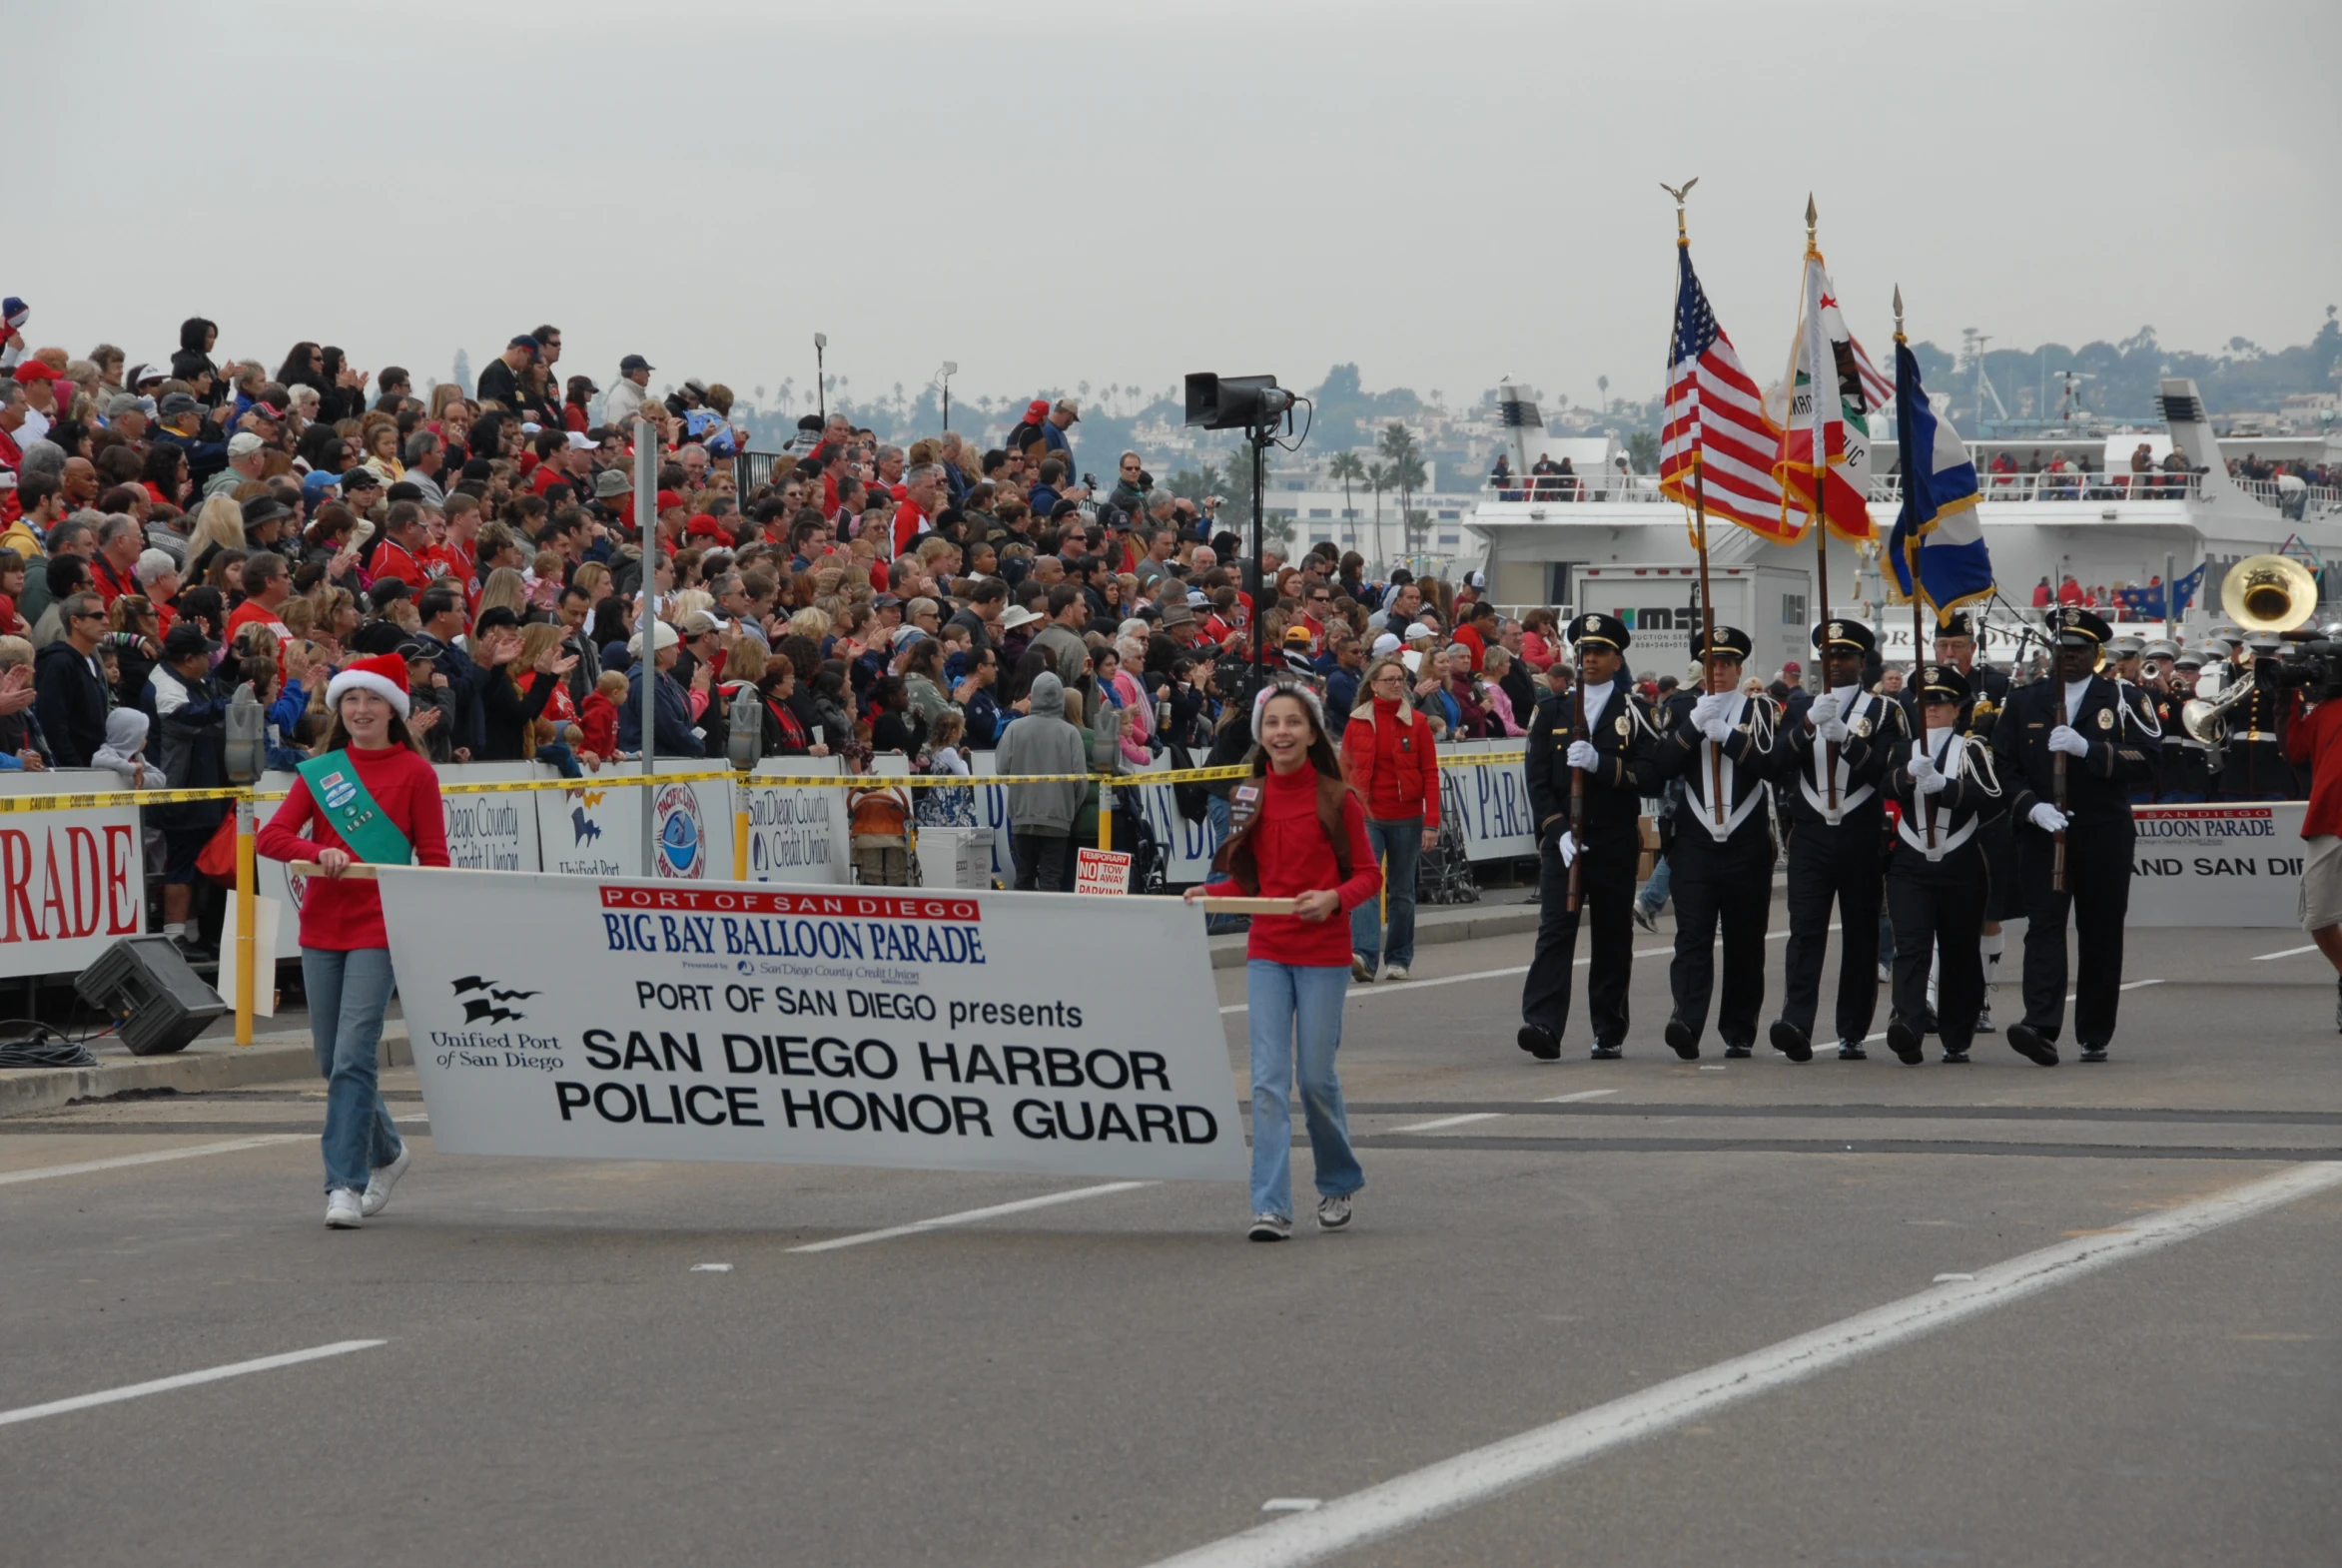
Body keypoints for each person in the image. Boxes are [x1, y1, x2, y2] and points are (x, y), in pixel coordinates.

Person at [255, 652, 450, 1228]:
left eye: (372, 700)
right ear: (340, 708)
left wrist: (427, 922)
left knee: (355, 1053)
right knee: (329, 1059)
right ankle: (388, 1151)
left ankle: (344, 1183)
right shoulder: (324, 771)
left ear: (394, 710)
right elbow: (273, 837)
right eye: (351, 701)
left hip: (379, 927)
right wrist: (320, 852)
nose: (361, 710)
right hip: (321, 925)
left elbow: (434, 859)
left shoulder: (417, 775)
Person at [1186, 679, 1377, 1242]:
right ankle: (1270, 1206)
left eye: (1293, 722)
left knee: (1315, 1080)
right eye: (1272, 723)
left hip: (1323, 953)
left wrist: (1333, 899)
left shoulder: (1338, 799)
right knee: (1268, 1083)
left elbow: (1369, 875)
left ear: (1312, 731)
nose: (1282, 732)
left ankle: (1338, 1179)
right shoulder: (1248, 796)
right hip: (1267, 953)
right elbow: (1246, 882)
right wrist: (1206, 893)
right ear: (1260, 735)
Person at [1990, 606, 2159, 1065]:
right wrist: (2031, 806)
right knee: (2043, 928)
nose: (2068, 657)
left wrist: (2092, 750)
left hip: (2103, 832)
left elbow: (2150, 761)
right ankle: (2039, 1026)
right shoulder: (2025, 701)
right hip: (2045, 832)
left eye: (2079, 650)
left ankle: (2094, 1031)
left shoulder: (2122, 698)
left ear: (2095, 653)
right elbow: (2001, 765)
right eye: (2061, 649)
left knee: (2100, 932)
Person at [1517, 613, 1656, 1061]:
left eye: (1599, 652)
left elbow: (1651, 775)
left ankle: (1609, 1029)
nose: (1590, 658)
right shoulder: (1552, 709)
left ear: (1617, 660)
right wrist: (1556, 831)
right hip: (1565, 842)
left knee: (1613, 937)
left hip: (1614, 837)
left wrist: (1603, 766)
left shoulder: (1634, 712)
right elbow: (1537, 780)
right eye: (1583, 651)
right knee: (1555, 932)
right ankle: (1543, 1024)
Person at [1770, 619, 1909, 1063]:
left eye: (1844, 656)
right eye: (1828, 655)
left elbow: (1889, 778)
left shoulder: (1885, 712)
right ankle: (1796, 1022)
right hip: (1810, 832)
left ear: (1861, 662)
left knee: (1862, 934)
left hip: (1861, 831)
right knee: (1805, 931)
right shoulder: (1800, 707)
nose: (1835, 662)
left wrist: (1847, 740)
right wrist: (1808, 724)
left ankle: (1852, 1030)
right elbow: (1776, 763)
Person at [1646, 624, 1780, 1059]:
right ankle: (1686, 1019)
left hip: (1745, 840)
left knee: (1744, 939)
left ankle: (1739, 1028)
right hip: (1695, 841)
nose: (1718, 672)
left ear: (1740, 668)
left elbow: (1775, 766)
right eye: (1711, 664)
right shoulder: (1683, 706)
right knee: (1693, 936)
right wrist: (1694, 728)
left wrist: (1732, 738)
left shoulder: (1758, 710)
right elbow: (1662, 766)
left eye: (1725, 664)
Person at [1884, 665, 2005, 1065]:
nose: (1932, 710)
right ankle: (1908, 1024)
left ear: (1957, 709)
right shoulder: (1904, 748)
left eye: (1940, 703)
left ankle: (1957, 1035)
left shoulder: (1971, 749)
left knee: (1959, 951)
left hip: (1959, 860)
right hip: (1910, 860)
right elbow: (1882, 785)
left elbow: (1990, 795)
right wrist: (1906, 777)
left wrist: (1947, 787)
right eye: (1926, 703)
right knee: (1912, 946)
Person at [1338, 653, 1440, 983]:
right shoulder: (1356, 721)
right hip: (1367, 816)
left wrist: (1431, 822)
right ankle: (1365, 958)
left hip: (1407, 818)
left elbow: (1430, 773)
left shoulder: (1419, 723)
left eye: (1401, 679)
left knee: (1401, 892)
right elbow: (1345, 770)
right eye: (1390, 680)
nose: (1397, 685)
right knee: (1367, 887)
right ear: (1373, 686)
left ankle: (1399, 958)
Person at [2284, 661, 2342, 1031]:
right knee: (2318, 917)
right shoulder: (2325, 710)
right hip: (2328, 821)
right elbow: (2295, 749)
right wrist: (2284, 694)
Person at [993, 670, 1087, 891]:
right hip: (1058, 819)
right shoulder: (1070, 733)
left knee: (1023, 876)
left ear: (1032, 695)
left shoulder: (1015, 728)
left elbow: (1001, 768)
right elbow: (1081, 781)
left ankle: (1023, 923)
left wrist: (1020, 792)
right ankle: (1049, 923)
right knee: (1051, 878)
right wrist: (1069, 809)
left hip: (1022, 816)